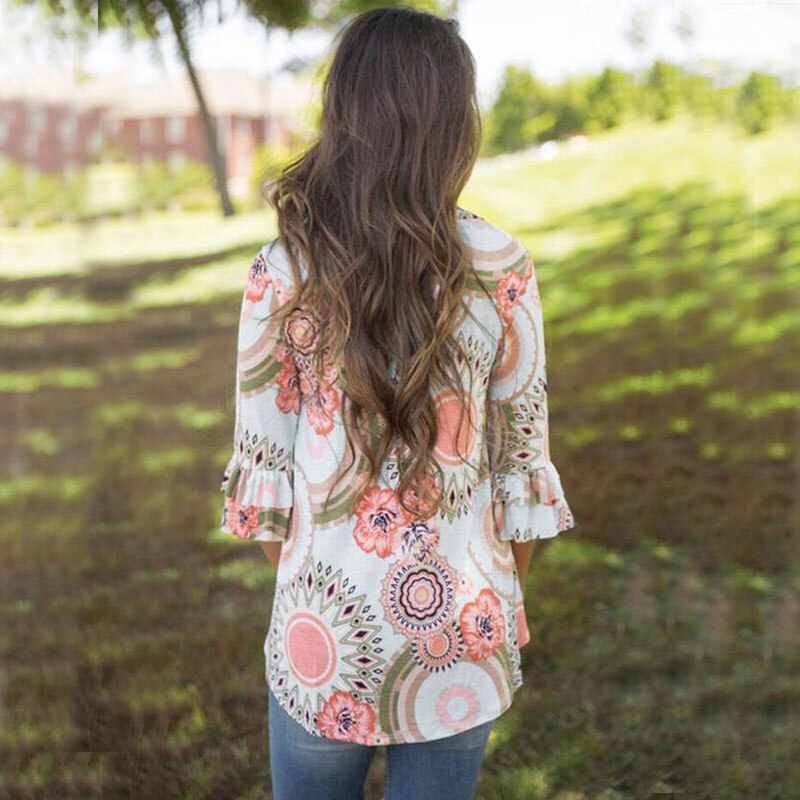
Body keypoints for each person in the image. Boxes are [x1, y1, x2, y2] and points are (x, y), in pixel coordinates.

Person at [219, 7, 576, 799]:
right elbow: (521, 472)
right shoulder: (502, 266)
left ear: (343, 111)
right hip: (461, 636)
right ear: (454, 123)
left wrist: (319, 595)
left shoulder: (283, 270)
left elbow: (266, 491)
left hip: (323, 644)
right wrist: (503, 592)